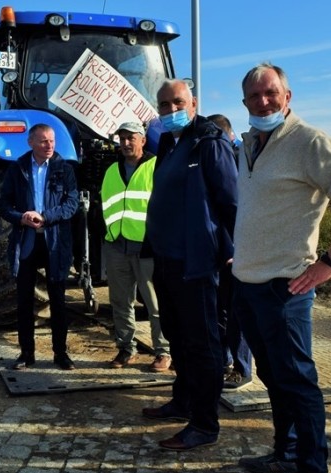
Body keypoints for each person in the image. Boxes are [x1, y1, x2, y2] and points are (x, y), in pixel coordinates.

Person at [233, 63, 331, 473]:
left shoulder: (308, 141)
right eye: (254, 96)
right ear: (244, 103)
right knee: (275, 379)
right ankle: (286, 451)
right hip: (248, 283)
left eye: (270, 93)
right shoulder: (249, 144)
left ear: (287, 96)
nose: (263, 101)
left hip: (286, 288)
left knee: (298, 382)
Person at [140, 79, 238, 452]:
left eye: (177, 102)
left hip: (197, 264)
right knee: (177, 339)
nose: (170, 110)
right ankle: (182, 400)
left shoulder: (209, 143)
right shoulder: (169, 142)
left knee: (203, 344)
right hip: (166, 261)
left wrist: (233, 252)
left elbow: (231, 203)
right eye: (163, 105)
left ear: (193, 103)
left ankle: (204, 422)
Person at [0, 123, 79, 371]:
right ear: (31, 142)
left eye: (52, 141)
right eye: (44, 141)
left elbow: (71, 203)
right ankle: (26, 354)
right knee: (24, 301)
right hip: (27, 241)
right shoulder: (17, 169)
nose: (49, 145)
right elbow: (4, 205)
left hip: (54, 242)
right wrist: (22, 217)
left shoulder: (63, 169)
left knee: (57, 300)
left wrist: (46, 217)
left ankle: (61, 354)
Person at [100, 121, 170, 372]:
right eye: (122, 139)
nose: (126, 143)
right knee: (120, 302)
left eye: (131, 138)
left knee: (156, 304)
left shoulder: (156, 166)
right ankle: (126, 348)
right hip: (117, 246)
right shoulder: (111, 171)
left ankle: (163, 352)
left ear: (143, 140)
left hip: (147, 248)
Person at [206, 113, 253, 391]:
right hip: (218, 250)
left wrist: (237, 248)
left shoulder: (239, 160)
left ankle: (242, 368)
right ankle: (223, 362)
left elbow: (239, 209)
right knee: (219, 311)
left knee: (238, 314)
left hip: (238, 251)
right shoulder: (216, 159)